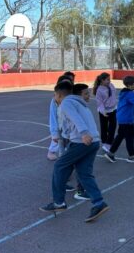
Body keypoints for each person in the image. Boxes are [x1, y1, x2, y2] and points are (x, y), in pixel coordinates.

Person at [40, 80, 109, 223]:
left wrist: (83, 133)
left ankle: (59, 202)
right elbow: (70, 124)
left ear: (59, 95)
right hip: (93, 141)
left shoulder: (66, 103)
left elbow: (75, 118)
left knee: (59, 166)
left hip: (82, 141)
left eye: (54, 95)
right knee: (84, 173)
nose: (54, 98)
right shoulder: (80, 104)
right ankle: (99, 203)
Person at [47, 73, 75, 161]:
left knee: (71, 146)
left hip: (71, 128)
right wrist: (54, 133)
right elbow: (53, 117)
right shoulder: (55, 100)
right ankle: (52, 152)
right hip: (60, 128)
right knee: (60, 144)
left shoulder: (73, 98)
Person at [93, 72, 117, 152]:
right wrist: (103, 112)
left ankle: (109, 142)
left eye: (109, 79)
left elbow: (113, 96)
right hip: (104, 111)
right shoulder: (99, 90)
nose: (109, 81)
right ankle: (104, 142)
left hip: (113, 109)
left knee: (112, 127)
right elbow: (100, 103)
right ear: (102, 80)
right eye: (107, 80)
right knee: (104, 127)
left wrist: (115, 105)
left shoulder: (111, 85)